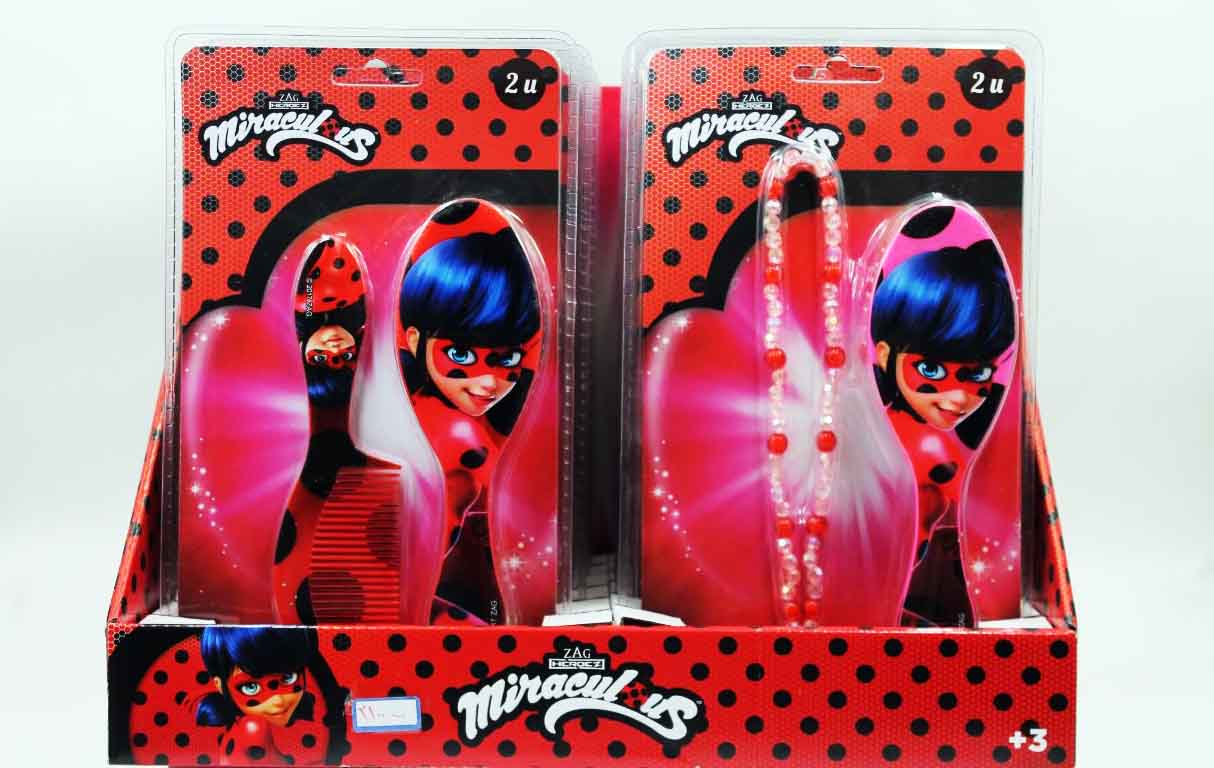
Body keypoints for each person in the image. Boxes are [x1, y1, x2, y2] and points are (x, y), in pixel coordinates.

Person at [870, 238, 1016, 627]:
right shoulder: (931, 447)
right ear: (884, 356)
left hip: (886, 587)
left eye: (977, 374)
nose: (958, 396)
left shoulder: (887, 425)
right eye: (931, 370)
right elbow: (980, 510)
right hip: (877, 582)